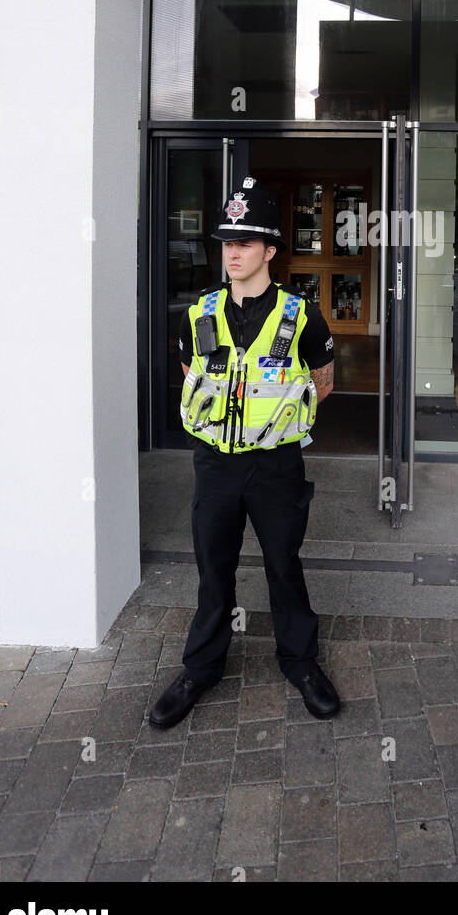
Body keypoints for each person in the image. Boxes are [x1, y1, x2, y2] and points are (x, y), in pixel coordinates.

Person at [149, 176, 339, 729]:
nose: (233, 253)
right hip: (215, 466)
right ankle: (200, 669)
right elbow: (195, 378)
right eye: (227, 243)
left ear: (270, 252)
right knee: (213, 570)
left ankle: (300, 662)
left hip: (276, 465)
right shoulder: (196, 316)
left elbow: (321, 383)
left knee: (284, 565)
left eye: (246, 243)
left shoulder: (302, 315)